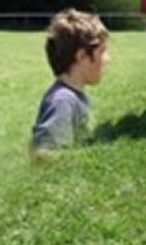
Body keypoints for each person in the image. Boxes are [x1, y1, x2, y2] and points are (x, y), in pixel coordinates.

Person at [30, 9, 110, 162]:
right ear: (81, 57)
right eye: (102, 52)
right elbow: (44, 155)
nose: (107, 59)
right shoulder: (62, 101)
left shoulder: (73, 95)